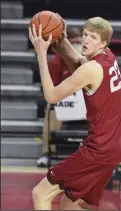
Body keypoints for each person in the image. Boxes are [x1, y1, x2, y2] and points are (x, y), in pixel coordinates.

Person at [28, 16, 121, 210]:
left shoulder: (92, 68)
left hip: (100, 148)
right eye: (84, 35)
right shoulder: (108, 56)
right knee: (70, 203)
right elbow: (81, 63)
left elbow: (51, 95)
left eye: (92, 37)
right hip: (116, 145)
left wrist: (41, 54)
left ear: (103, 42)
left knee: (40, 193)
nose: (85, 40)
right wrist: (63, 41)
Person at [37, 27, 82, 167]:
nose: (77, 46)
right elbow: (53, 88)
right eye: (73, 42)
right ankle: (47, 153)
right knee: (51, 111)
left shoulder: (88, 59)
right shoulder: (56, 62)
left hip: (87, 101)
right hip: (66, 100)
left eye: (79, 42)